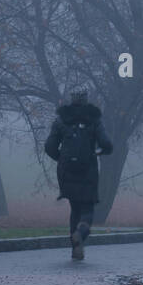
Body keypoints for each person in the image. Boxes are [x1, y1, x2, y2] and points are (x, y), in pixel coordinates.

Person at [45, 87, 113, 260]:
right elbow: (106, 144)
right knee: (87, 208)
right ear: (85, 99)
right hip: (87, 170)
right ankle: (81, 231)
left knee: (74, 208)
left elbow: (49, 147)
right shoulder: (94, 119)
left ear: (72, 98)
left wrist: (62, 159)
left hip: (66, 171)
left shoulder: (61, 120)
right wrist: (97, 152)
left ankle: (74, 247)